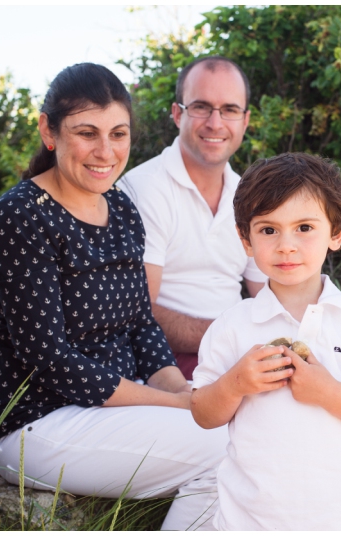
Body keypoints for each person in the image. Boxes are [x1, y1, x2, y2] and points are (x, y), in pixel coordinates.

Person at [0, 63, 227, 530]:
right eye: (87, 133)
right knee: (227, 446)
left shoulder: (122, 207)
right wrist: (175, 405)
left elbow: (141, 324)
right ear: (49, 131)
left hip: (113, 412)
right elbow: (48, 358)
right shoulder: (21, 216)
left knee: (240, 439)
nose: (105, 152)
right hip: (35, 426)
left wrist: (180, 388)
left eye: (119, 134)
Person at [189, 153, 341, 530]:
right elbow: (203, 414)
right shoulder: (231, 326)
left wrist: (327, 391)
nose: (286, 245)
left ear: (336, 233)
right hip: (253, 520)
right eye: (268, 230)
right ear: (245, 239)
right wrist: (235, 383)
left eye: (304, 227)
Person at [116, 56, 266, 380]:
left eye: (229, 109)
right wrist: (234, 337)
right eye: (201, 107)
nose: (215, 123)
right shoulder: (141, 190)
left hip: (236, 356)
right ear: (176, 114)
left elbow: (273, 288)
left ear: (245, 120)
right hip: (163, 363)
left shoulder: (250, 196)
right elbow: (136, 314)